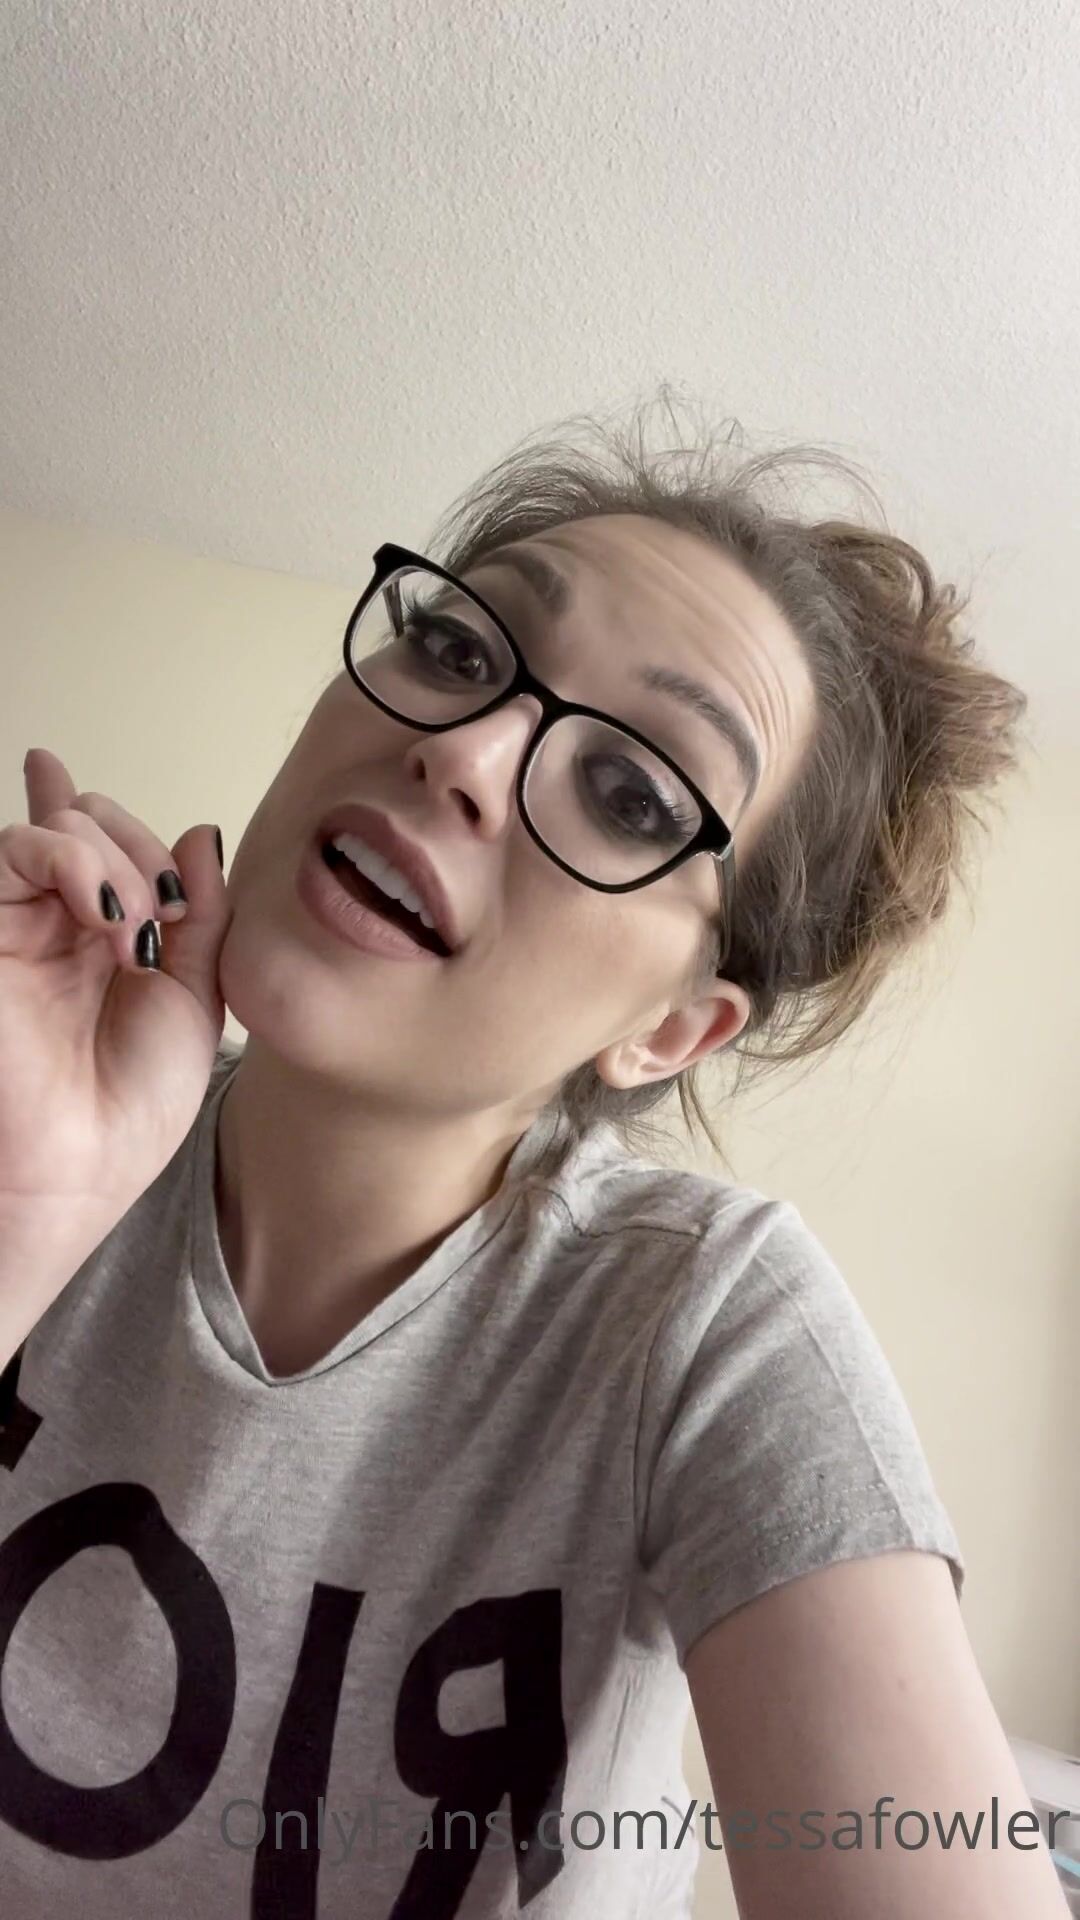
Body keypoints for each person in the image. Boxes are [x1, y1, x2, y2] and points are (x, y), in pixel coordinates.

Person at [0, 393, 1068, 1919]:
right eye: (457, 647)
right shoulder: (38, 1117)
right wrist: (26, 1207)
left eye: (632, 793)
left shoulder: (703, 1320)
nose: (468, 747)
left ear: (672, 1031)